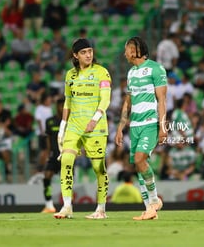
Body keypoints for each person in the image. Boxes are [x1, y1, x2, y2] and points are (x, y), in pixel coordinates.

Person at [54, 38, 111, 219]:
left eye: (90, 51)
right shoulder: (70, 75)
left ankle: (101, 209)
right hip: (75, 125)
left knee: (98, 167)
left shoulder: (102, 72)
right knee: (66, 160)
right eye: (84, 52)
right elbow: (67, 101)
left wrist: (95, 119)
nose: (88, 55)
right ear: (76, 55)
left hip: (96, 126)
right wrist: (62, 126)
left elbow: (105, 99)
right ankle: (67, 206)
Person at [115, 36, 166, 221]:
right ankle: (149, 210)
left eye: (126, 49)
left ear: (135, 49)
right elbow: (127, 103)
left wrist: (162, 126)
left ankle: (154, 202)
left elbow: (162, 100)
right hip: (134, 125)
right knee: (138, 166)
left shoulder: (156, 68)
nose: (124, 53)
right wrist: (120, 127)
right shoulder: (131, 73)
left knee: (139, 158)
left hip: (150, 123)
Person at [41, 97, 64, 213]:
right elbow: (48, 138)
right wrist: (47, 152)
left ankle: (67, 205)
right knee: (46, 177)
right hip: (54, 154)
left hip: (66, 155)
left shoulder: (69, 121)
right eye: (58, 106)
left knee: (66, 180)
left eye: (62, 106)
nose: (60, 108)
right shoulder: (50, 121)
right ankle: (49, 205)